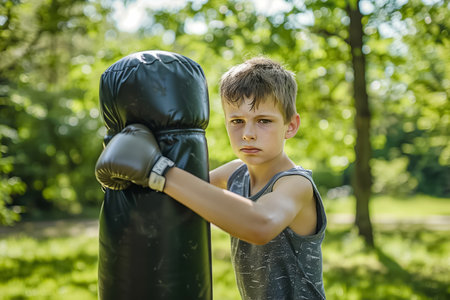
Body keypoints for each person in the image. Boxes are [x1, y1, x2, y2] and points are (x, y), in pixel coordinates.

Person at [96, 57, 327, 299]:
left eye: (264, 121)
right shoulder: (236, 172)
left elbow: (261, 224)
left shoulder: (295, 184)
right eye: (237, 121)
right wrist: (125, 182)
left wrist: (160, 172)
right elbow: (185, 194)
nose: (248, 134)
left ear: (290, 126)